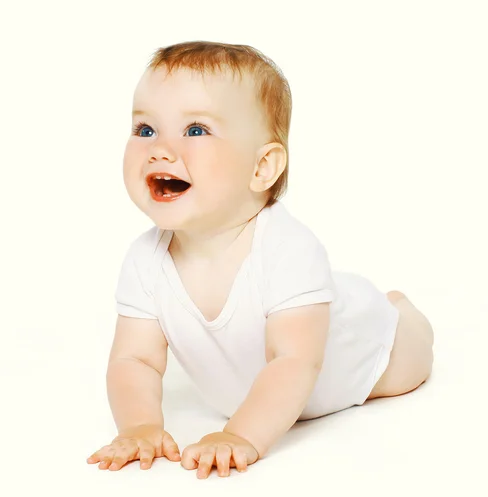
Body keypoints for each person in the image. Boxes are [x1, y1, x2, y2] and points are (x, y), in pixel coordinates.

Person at [86, 41, 434, 479]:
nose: (160, 149)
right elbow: (134, 360)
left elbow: (294, 360)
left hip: (365, 355)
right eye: (145, 129)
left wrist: (240, 434)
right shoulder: (144, 260)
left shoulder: (287, 249)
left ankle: (398, 307)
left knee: (411, 362)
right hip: (283, 347)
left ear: (262, 168)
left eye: (195, 130)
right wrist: (139, 426)